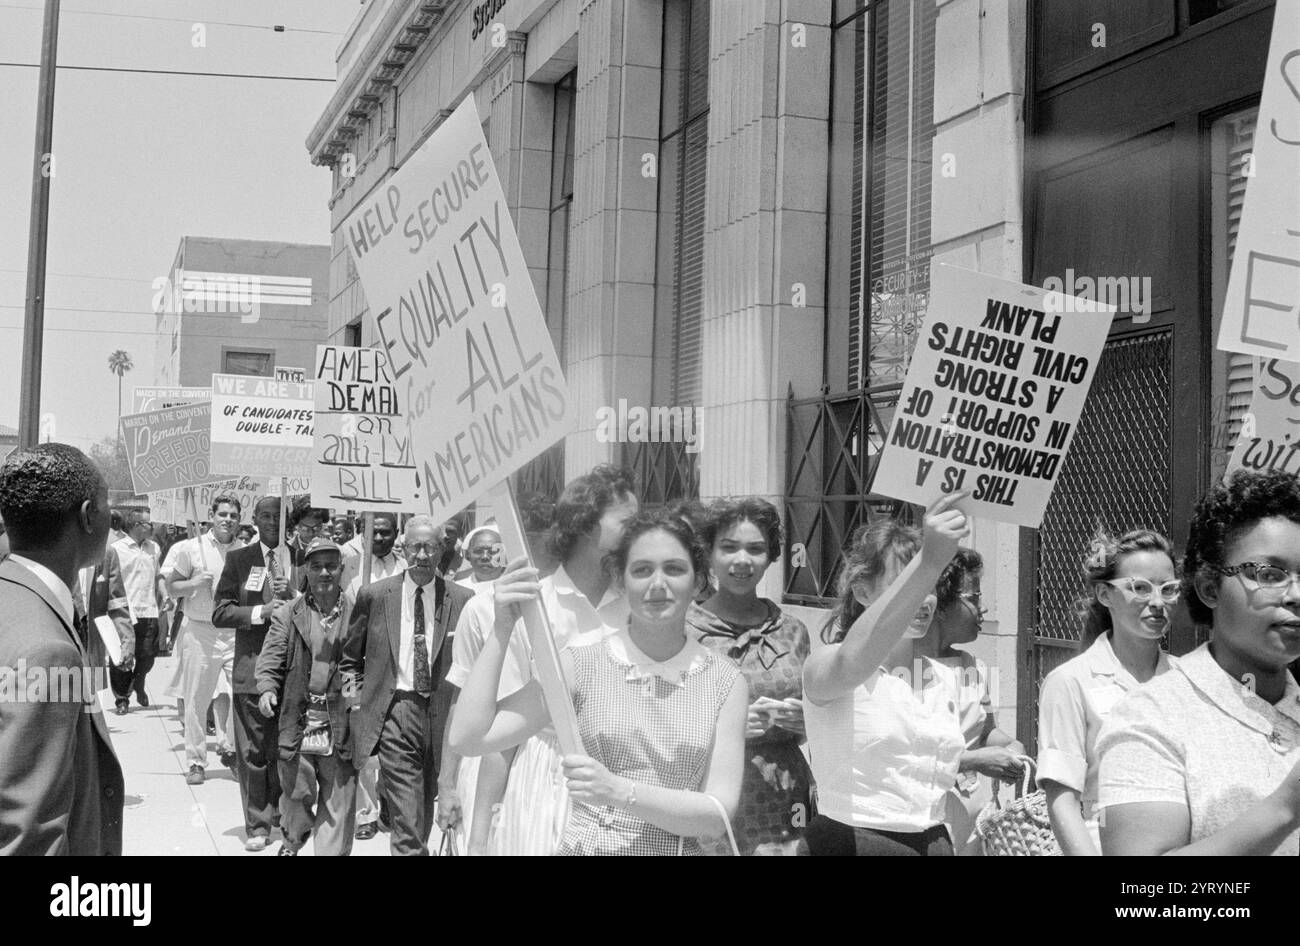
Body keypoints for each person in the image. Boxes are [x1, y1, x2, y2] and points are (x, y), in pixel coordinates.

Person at [452, 509, 748, 855]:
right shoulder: (581, 664)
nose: (657, 584)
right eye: (641, 570)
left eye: (674, 569)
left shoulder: (724, 681)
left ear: (698, 581)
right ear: (621, 581)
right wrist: (501, 628)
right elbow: (470, 737)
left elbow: (717, 812)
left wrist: (617, 791)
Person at [1098, 470, 1300, 855]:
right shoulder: (1151, 716)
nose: (1296, 594)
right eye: (1270, 574)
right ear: (1209, 587)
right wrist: (1286, 808)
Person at [441, 465, 639, 855]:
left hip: (626, 781)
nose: (640, 532)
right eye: (628, 522)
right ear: (586, 525)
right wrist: (480, 838)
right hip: (544, 789)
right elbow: (497, 738)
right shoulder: (532, 608)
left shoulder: (639, 606)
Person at [802, 494, 986, 856]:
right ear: (861, 591)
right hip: (851, 844)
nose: (921, 597)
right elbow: (853, 662)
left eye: (928, 584)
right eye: (903, 583)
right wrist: (928, 562)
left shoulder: (944, 678)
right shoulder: (826, 665)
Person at [0, 443, 123, 855]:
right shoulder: (49, 650)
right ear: (89, 516)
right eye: (109, 506)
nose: (112, 517)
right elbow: (29, 833)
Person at [1036, 530, 1178, 856]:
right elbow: (1062, 798)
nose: (1157, 603)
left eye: (1168, 590)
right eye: (1139, 588)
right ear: (1105, 594)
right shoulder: (1070, 682)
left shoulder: (1188, 678)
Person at [340, 516, 474, 855]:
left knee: (427, 810)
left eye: (430, 547)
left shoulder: (462, 600)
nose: (422, 555)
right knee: (408, 820)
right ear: (404, 547)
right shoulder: (374, 595)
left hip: (445, 716)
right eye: (415, 547)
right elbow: (349, 660)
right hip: (394, 712)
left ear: (442, 550)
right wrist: (354, 706)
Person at [685, 497, 812, 855]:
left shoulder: (794, 632)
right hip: (709, 792)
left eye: (756, 549)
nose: (743, 560)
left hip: (786, 795)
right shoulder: (683, 632)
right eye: (729, 548)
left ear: (771, 556)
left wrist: (805, 722)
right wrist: (727, 733)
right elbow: (657, 724)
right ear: (708, 553)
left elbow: (818, 720)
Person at [920, 547, 1026, 854]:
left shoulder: (974, 667)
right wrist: (973, 761)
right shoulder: (902, 671)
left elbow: (984, 731)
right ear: (939, 604)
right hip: (927, 822)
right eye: (974, 597)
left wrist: (1009, 746)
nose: (983, 609)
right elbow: (903, 752)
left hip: (974, 823)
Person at [256, 538, 357, 856]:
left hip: (340, 721)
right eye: (316, 566)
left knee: (337, 802)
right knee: (298, 797)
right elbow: (271, 657)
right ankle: (292, 840)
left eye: (331, 566)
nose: (324, 573)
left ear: (342, 569)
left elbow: (360, 667)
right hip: (299, 721)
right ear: (306, 571)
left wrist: (356, 702)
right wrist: (267, 689)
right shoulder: (289, 613)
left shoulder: (358, 615)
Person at [213, 495, 294, 852]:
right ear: (255, 520)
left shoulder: (305, 558)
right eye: (265, 516)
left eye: (278, 516)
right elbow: (221, 612)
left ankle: (284, 816)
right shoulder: (240, 559)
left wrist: (293, 598)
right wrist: (262, 611)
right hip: (251, 668)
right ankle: (258, 825)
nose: (272, 522)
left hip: (293, 671)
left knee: (286, 749)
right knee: (253, 752)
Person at [163, 494, 242, 784]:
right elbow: (172, 588)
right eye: (223, 514)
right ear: (212, 515)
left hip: (234, 632)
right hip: (200, 631)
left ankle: (231, 749)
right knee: (197, 699)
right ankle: (196, 761)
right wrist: (193, 584)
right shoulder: (190, 548)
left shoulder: (244, 551)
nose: (227, 520)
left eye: (233, 515)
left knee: (240, 697)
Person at [111, 509, 165, 713]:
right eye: (147, 524)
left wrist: (165, 595)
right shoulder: (116, 549)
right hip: (124, 611)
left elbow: (158, 575)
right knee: (122, 657)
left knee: (148, 655)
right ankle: (122, 699)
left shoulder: (154, 548)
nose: (152, 527)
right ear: (135, 525)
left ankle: (138, 682)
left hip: (149, 609)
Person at [344, 512, 406, 599]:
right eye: (373, 532)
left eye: (384, 533)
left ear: (396, 534)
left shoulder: (406, 567)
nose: (378, 538)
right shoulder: (346, 567)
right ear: (363, 534)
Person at [455, 524, 505, 594]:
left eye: (492, 551)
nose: (485, 557)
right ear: (469, 554)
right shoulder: (455, 590)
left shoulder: (517, 584)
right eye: (478, 551)